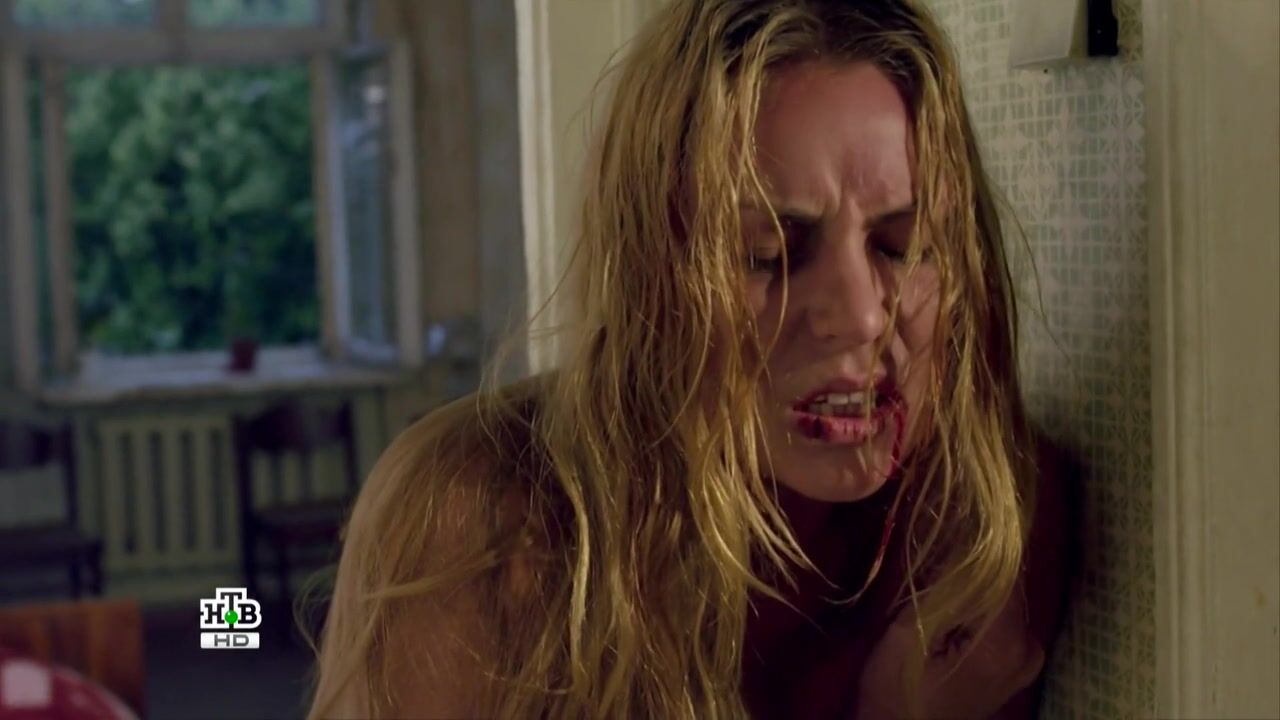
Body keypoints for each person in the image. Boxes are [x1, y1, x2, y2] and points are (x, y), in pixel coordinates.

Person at [307, 0, 1071, 717]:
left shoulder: (991, 518)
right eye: (764, 254)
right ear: (651, 273)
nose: (860, 316)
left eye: (906, 246)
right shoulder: (480, 515)